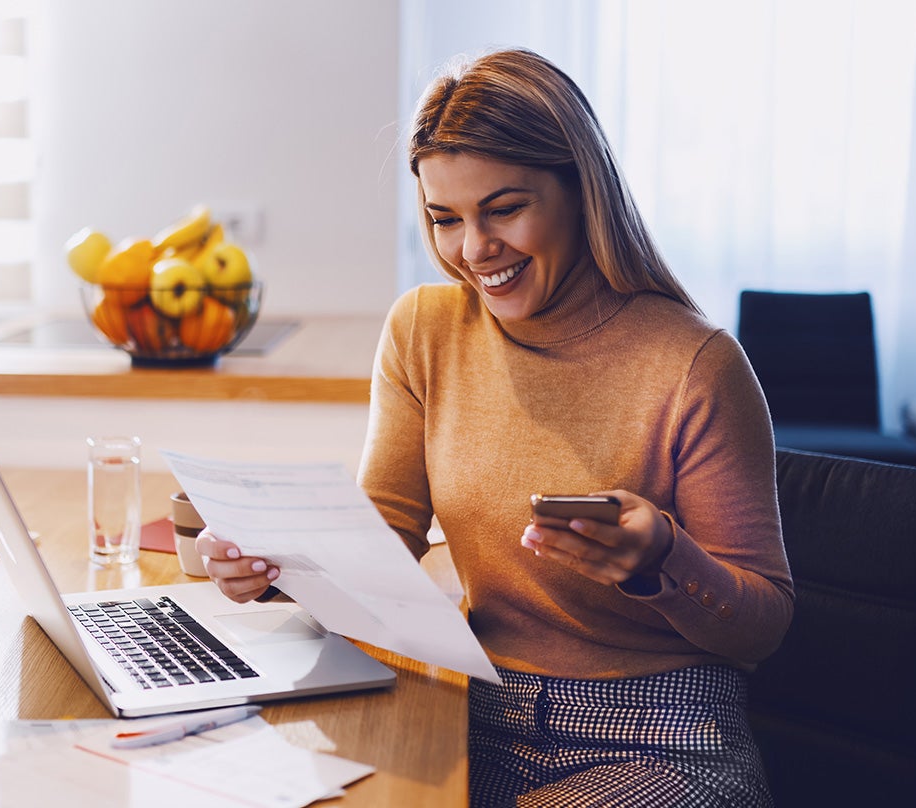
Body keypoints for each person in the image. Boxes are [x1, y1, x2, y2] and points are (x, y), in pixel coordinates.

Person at [198, 47, 794, 807]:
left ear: (581, 190)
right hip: (472, 705)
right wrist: (274, 566)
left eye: (504, 209)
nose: (474, 251)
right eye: (446, 219)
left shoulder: (695, 363)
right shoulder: (425, 330)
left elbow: (763, 625)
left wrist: (662, 559)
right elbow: (382, 537)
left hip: (661, 737)